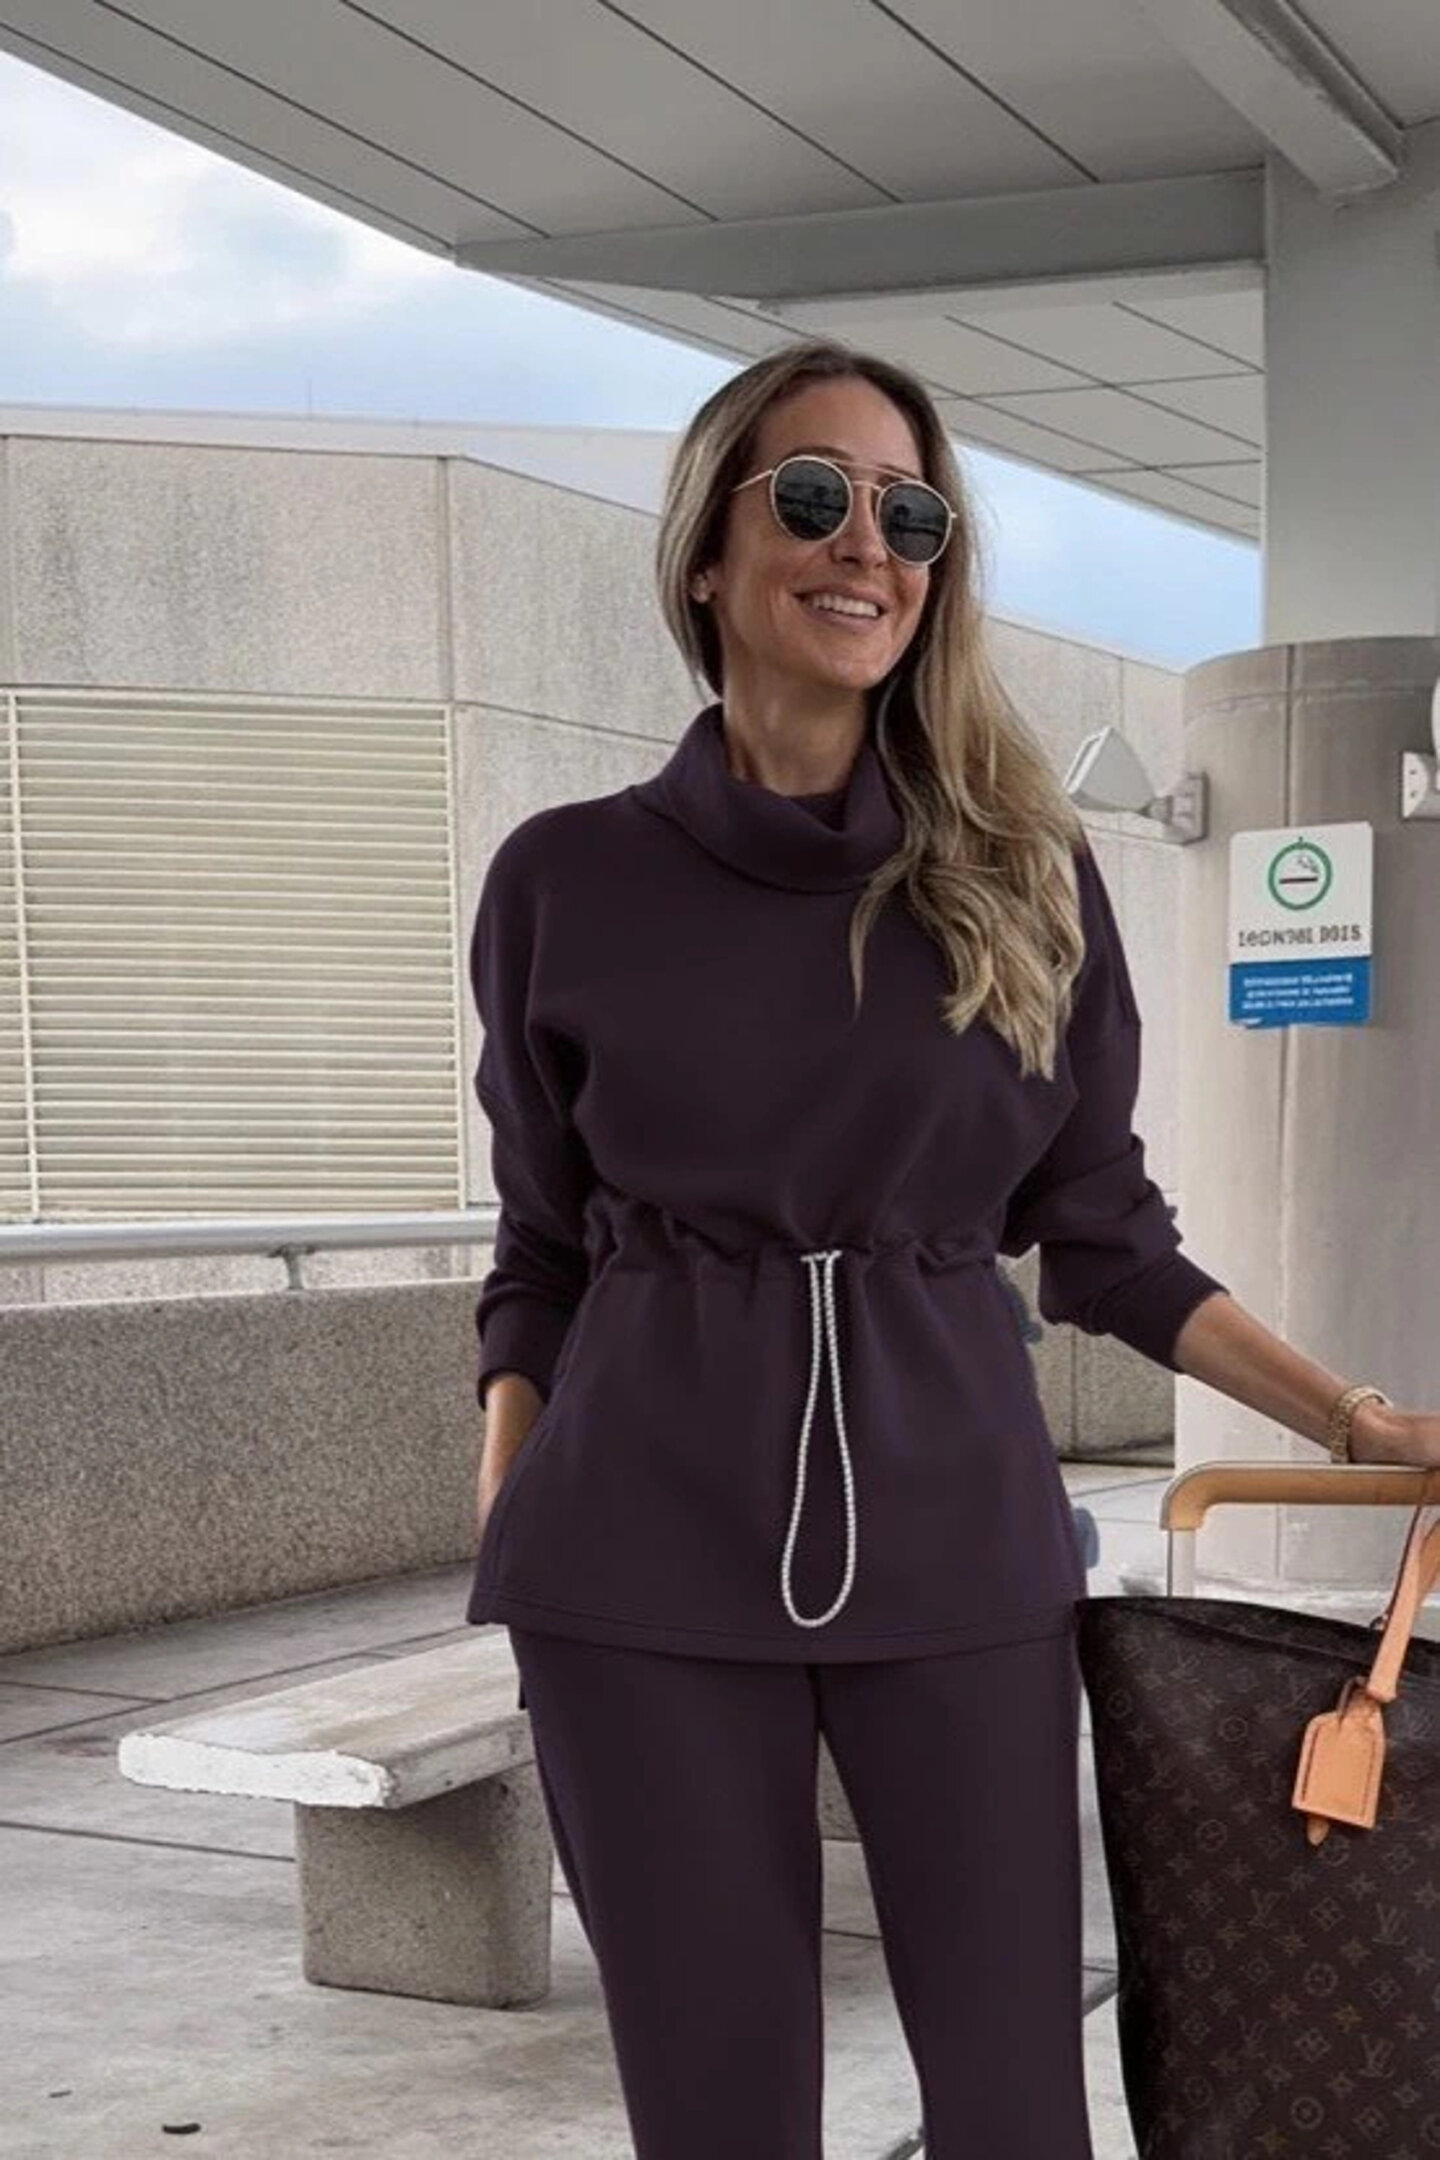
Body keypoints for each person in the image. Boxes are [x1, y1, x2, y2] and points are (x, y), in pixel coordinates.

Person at [461, 337, 1425, 2158]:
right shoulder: (562, 881)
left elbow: (1108, 1240)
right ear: (707, 554)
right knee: (719, 2112)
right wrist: (511, 1496)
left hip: (960, 1549)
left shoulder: (1026, 874)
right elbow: (542, 1242)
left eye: (910, 516)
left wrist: (1351, 1419)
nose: (868, 545)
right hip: (631, 1564)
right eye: (814, 495)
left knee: (1010, 2100)